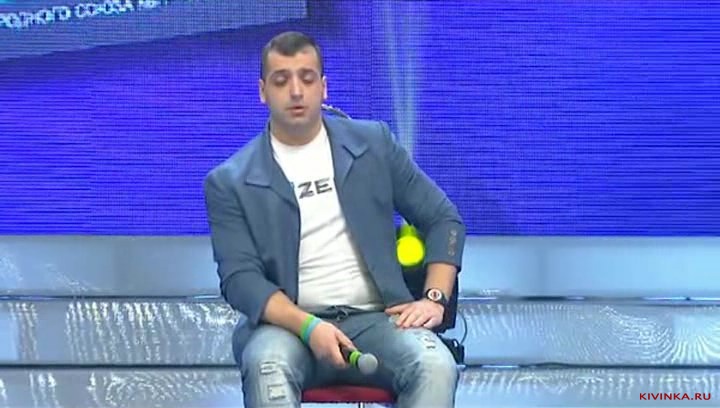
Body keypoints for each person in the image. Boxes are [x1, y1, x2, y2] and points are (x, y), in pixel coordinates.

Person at [203, 31, 466, 408]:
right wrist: (310, 327)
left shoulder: (374, 144)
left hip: (378, 320)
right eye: (282, 80)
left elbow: (444, 219)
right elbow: (240, 280)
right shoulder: (230, 181)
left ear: (324, 87)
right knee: (267, 364)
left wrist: (434, 298)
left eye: (307, 78)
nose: (296, 91)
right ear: (263, 92)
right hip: (287, 327)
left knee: (436, 365)